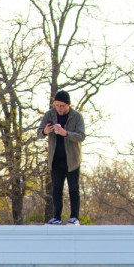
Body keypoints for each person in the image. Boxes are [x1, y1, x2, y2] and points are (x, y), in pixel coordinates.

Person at [38, 89, 86, 225]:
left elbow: (81, 136)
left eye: (62, 106)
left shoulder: (77, 117)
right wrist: (45, 131)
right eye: (57, 105)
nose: (59, 108)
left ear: (68, 105)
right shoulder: (49, 115)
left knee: (73, 189)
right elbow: (39, 133)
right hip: (55, 160)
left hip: (72, 160)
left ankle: (74, 217)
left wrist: (66, 133)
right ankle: (56, 217)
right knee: (57, 189)